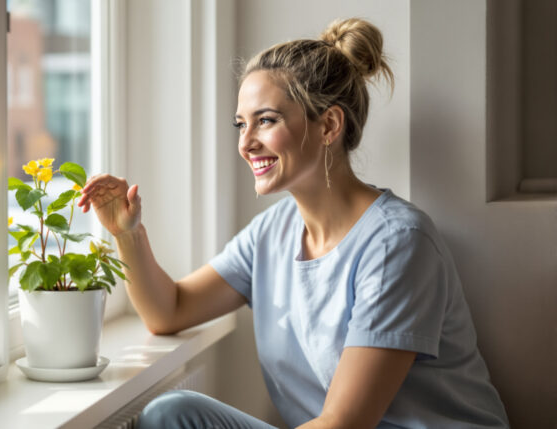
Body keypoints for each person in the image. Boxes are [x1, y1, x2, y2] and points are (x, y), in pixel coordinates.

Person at [77, 17, 509, 429]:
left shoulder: (398, 243)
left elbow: (346, 423)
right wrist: (126, 232)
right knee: (173, 415)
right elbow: (168, 311)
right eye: (241, 124)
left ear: (329, 125)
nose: (246, 143)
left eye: (266, 120)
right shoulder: (272, 233)